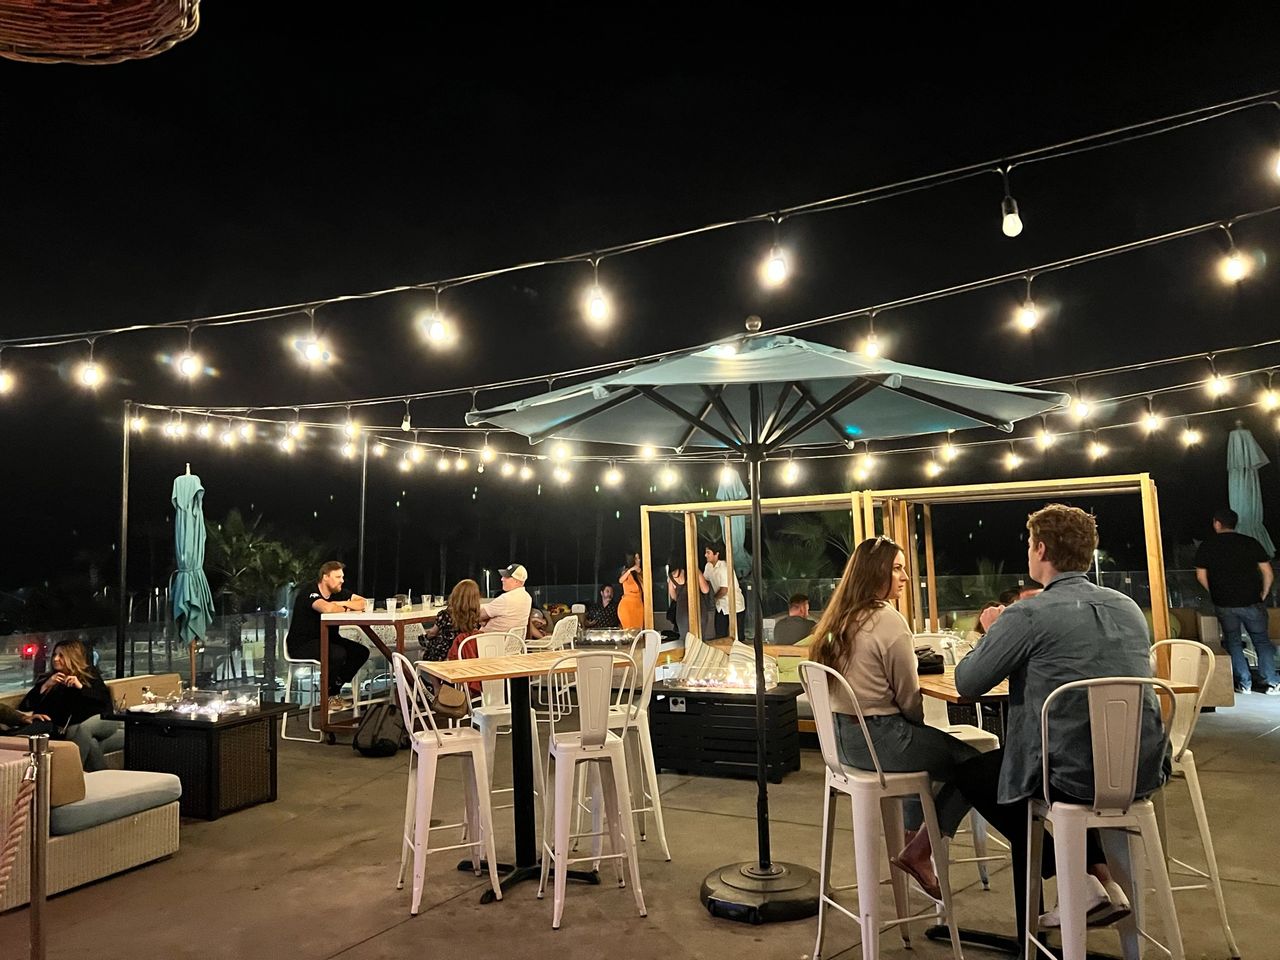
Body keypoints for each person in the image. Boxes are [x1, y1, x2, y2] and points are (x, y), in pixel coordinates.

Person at [937, 504, 1168, 935]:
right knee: (1027, 763)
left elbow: (968, 683)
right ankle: (1093, 878)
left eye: (1029, 544)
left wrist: (992, 629)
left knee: (979, 773)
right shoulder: (1129, 608)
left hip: (1068, 777)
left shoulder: (1027, 614)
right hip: (1139, 767)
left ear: (1040, 548)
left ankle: (1079, 884)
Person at [810, 536, 980, 901]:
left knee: (923, 752)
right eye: (898, 568)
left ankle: (910, 840)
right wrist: (917, 724)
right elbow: (908, 697)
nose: (904, 576)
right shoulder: (889, 620)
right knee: (976, 766)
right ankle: (920, 850)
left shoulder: (839, 618)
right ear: (876, 573)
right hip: (879, 742)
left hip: (840, 745)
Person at [1194, 507, 1277, 694]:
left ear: (1217, 523)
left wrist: (1215, 591)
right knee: (1261, 641)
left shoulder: (1207, 546)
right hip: (1252, 601)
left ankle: (1244, 683)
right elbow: (1268, 572)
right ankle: (1272, 681)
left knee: (1233, 642)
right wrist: (1263, 593)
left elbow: (1200, 575)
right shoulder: (1250, 543)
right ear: (1235, 523)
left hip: (1224, 603)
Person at [18, 639, 122, 771]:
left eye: (61, 655)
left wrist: (80, 687)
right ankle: (103, 778)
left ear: (72, 657)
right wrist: (46, 686)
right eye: (55, 655)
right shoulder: (49, 680)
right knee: (91, 743)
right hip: (70, 729)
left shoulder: (89, 676)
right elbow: (25, 707)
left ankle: (69, 773)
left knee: (82, 729)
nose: (55, 659)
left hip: (103, 719)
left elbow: (102, 705)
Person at [283, 561, 369, 711]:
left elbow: (363, 603)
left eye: (342, 576)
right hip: (303, 643)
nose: (342, 580)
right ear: (325, 577)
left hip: (329, 639)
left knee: (361, 652)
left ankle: (333, 687)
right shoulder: (310, 592)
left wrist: (340, 604)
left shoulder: (337, 593)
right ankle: (329, 695)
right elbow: (327, 609)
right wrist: (342, 606)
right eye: (337, 577)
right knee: (337, 654)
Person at [421, 579, 482, 661]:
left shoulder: (444, 614)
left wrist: (425, 637)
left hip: (445, 655)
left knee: (424, 643)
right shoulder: (476, 616)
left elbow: (432, 633)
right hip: (466, 654)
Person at [703, 541, 746, 638]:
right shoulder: (708, 566)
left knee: (737, 638)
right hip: (721, 606)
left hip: (735, 606)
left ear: (716, 554)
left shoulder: (724, 567)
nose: (705, 555)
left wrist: (712, 599)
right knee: (720, 635)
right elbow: (705, 582)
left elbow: (724, 590)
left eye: (708, 552)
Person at [480, 563, 533, 636]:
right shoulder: (527, 598)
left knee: (461, 639)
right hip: (510, 641)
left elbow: (478, 615)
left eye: (506, 577)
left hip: (489, 642)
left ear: (516, 581)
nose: (502, 579)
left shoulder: (506, 599)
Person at [667, 565, 712, 637]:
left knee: (685, 639)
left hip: (682, 611)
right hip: (698, 609)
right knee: (700, 638)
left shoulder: (673, 575)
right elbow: (705, 590)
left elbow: (673, 596)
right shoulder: (696, 571)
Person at [617, 553, 645, 629]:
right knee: (629, 631)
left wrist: (640, 572)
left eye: (639, 558)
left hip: (638, 605)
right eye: (636, 558)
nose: (638, 560)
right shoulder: (626, 572)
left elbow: (645, 588)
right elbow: (620, 580)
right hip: (627, 605)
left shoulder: (640, 575)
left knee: (638, 631)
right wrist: (630, 570)